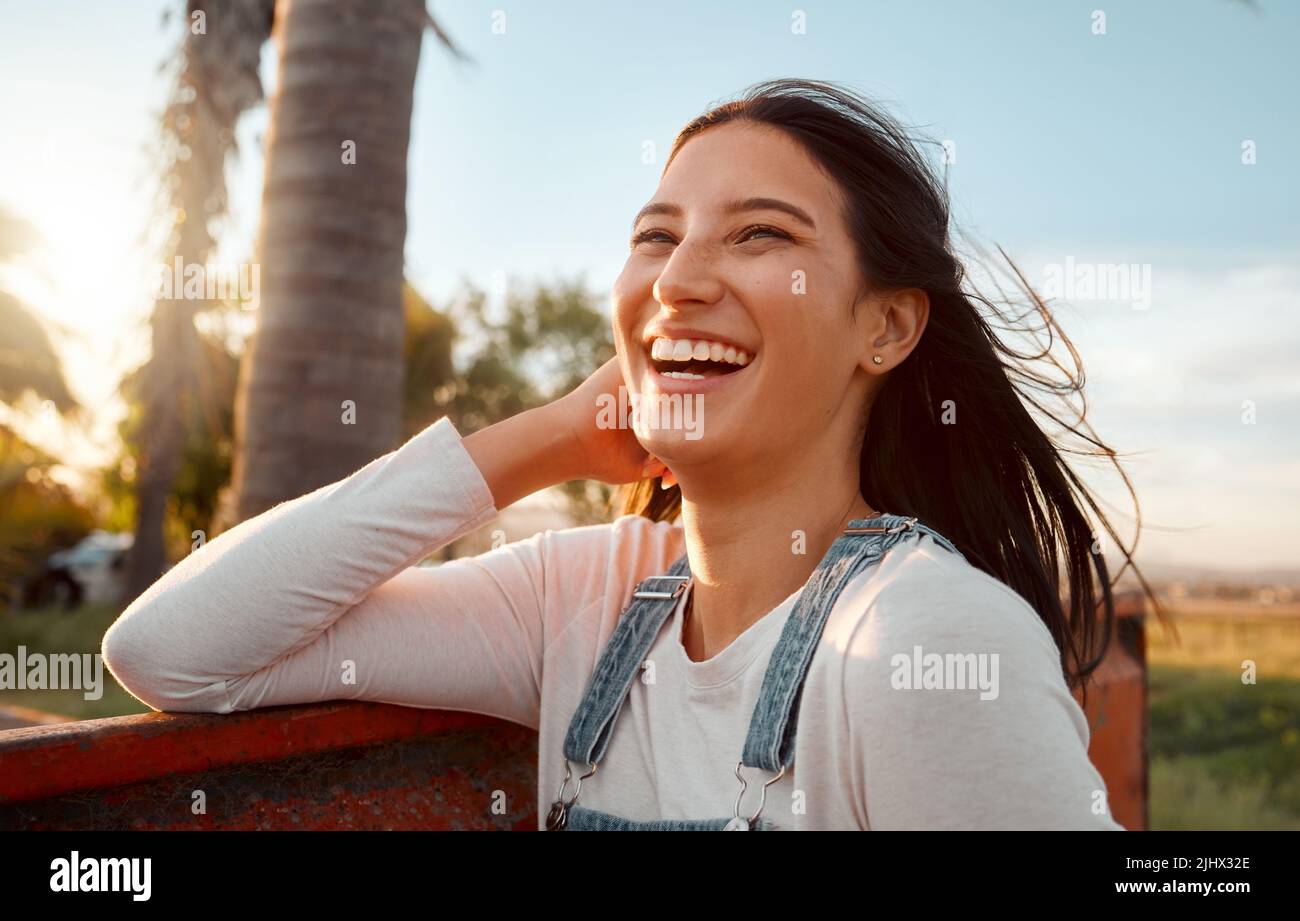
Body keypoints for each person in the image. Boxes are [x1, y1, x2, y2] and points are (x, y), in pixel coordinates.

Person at [103, 78, 1150, 830]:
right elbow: (178, 650)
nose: (680, 278)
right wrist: (548, 437)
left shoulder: (920, 638)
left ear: (884, 329)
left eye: (760, 237)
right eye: (656, 236)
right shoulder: (591, 600)